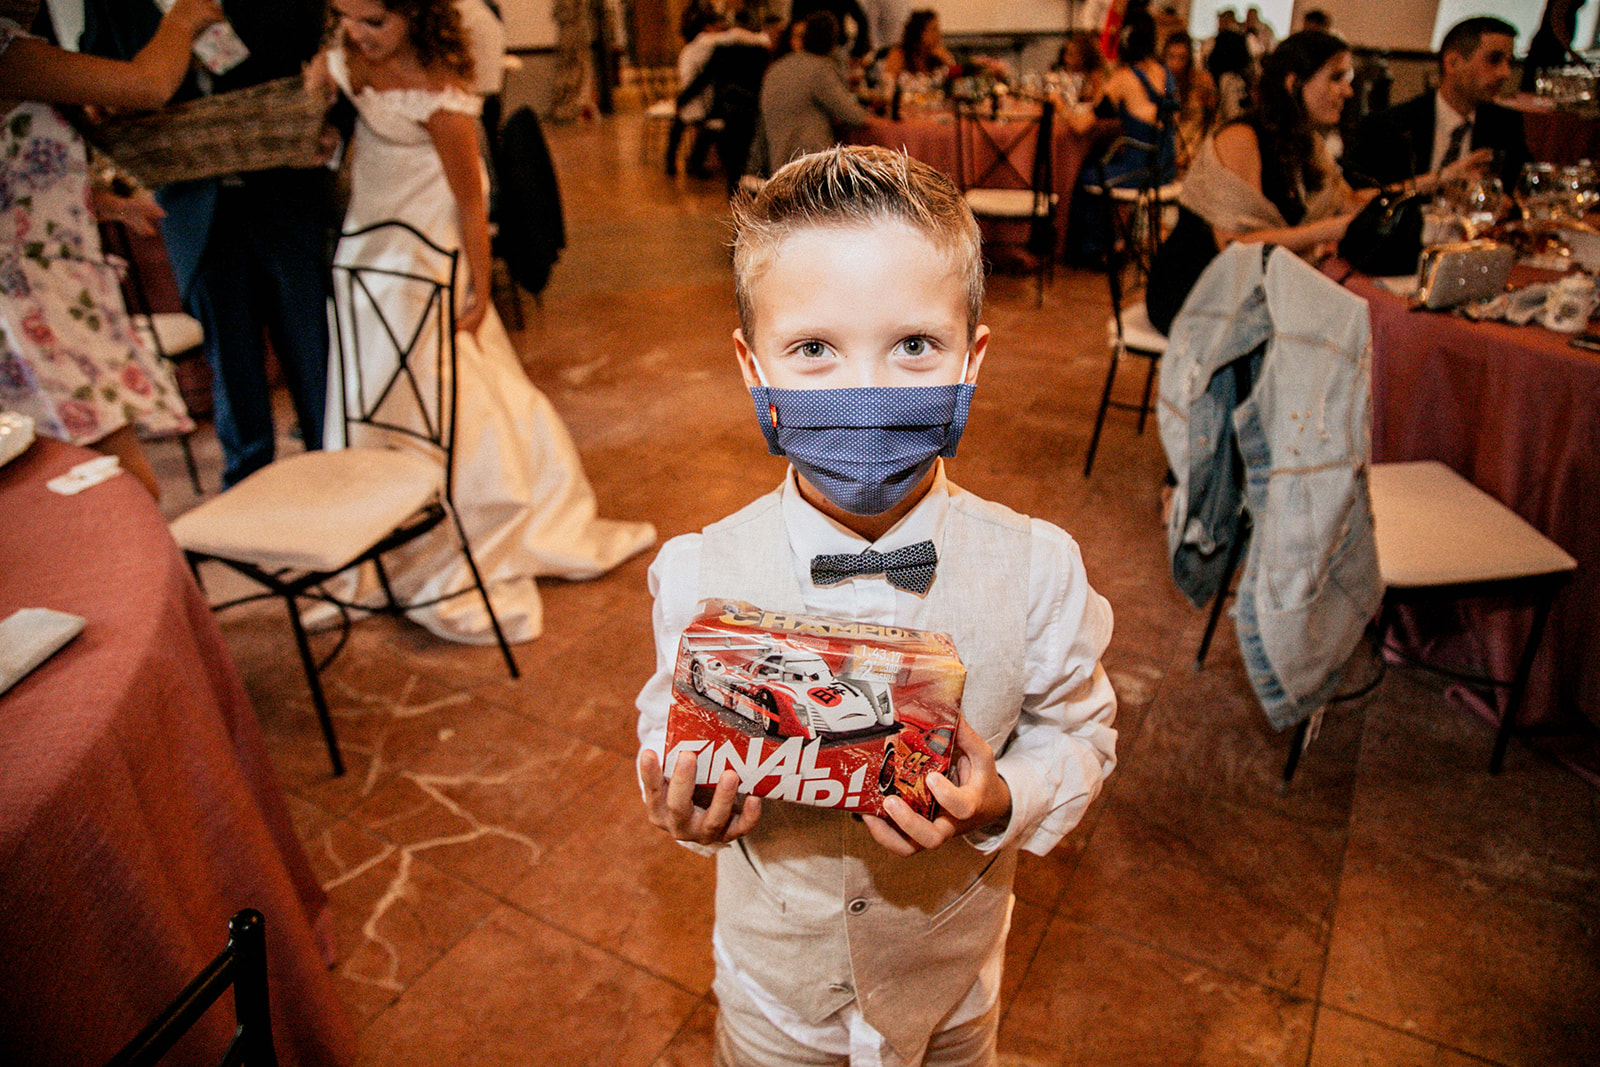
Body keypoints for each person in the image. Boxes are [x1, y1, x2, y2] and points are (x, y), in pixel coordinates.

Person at [636, 144, 1117, 1067]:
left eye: (913, 345)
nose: (866, 393)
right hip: (775, 998)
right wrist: (679, 796)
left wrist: (1001, 797)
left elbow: (1081, 730)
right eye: (814, 349)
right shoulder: (698, 571)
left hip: (951, 992)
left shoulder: (1039, 567)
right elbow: (667, 717)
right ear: (753, 367)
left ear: (972, 358)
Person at [307, 0, 654, 645]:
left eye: (375, 21)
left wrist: (478, 288)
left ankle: (457, 521)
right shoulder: (348, 60)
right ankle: (372, 529)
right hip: (364, 253)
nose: (359, 33)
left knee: (444, 394)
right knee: (365, 394)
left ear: (415, 14)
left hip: (427, 258)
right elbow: (321, 98)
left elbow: (471, 198)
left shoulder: (443, 99)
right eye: (347, 17)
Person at [80, 0, 335, 490]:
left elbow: (314, 44)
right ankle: (250, 488)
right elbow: (100, 74)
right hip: (192, 204)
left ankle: (335, 467)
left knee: (311, 344)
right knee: (229, 357)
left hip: (283, 188)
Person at [0, 0, 222, 500]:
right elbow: (147, 85)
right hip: (33, 299)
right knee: (114, 482)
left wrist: (104, 204)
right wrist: (182, 19)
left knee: (94, 474)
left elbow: (15, 185)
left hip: (50, 280)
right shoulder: (9, 54)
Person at [1147, 30, 1377, 334]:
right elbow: (1235, 245)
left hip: (1245, 288)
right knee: (1334, 325)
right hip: (1194, 290)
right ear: (1293, 83)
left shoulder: (1305, 143)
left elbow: (1350, 202)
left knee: (1353, 313)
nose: (1347, 91)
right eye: (1336, 78)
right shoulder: (1242, 138)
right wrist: (1331, 229)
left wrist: (1435, 182)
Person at [1342, 16, 1528, 191]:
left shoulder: (1505, 126)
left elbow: (1518, 190)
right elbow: (1363, 196)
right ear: (1453, 62)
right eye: (1494, 60)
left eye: (1509, 62)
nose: (1505, 73)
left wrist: (1504, 204)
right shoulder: (1390, 125)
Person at [1068, 11, 1179, 263]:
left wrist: (1058, 105)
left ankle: (1098, 249)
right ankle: (1118, 239)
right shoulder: (1165, 73)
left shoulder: (1122, 78)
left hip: (1140, 171)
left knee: (1085, 175)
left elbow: (1080, 126)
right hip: (1166, 168)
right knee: (1104, 164)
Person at [754, 10, 867, 174]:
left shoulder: (776, 68)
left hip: (777, 163)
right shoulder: (819, 69)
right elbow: (854, 116)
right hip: (810, 165)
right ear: (833, 41)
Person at [1163, 29, 1217, 172]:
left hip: (1193, 153)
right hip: (1168, 153)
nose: (1175, 64)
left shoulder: (1201, 82)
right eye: (1171, 57)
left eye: (1182, 58)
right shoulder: (1160, 82)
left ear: (1189, 59)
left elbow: (1211, 121)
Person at [878, 8, 956, 84]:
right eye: (933, 30)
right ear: (919, 32)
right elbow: (887, 82)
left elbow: (958, 81)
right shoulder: (900, 54)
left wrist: (948, 62)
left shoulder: (939, 53)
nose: (938, 35)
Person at [1051, 28, 1109, 104]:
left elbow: (1095, 112)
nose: (1066, 60)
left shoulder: (1100, 80)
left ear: (1084, 56)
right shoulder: (1085, 79)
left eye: (1071, 55)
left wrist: (1057, 102)